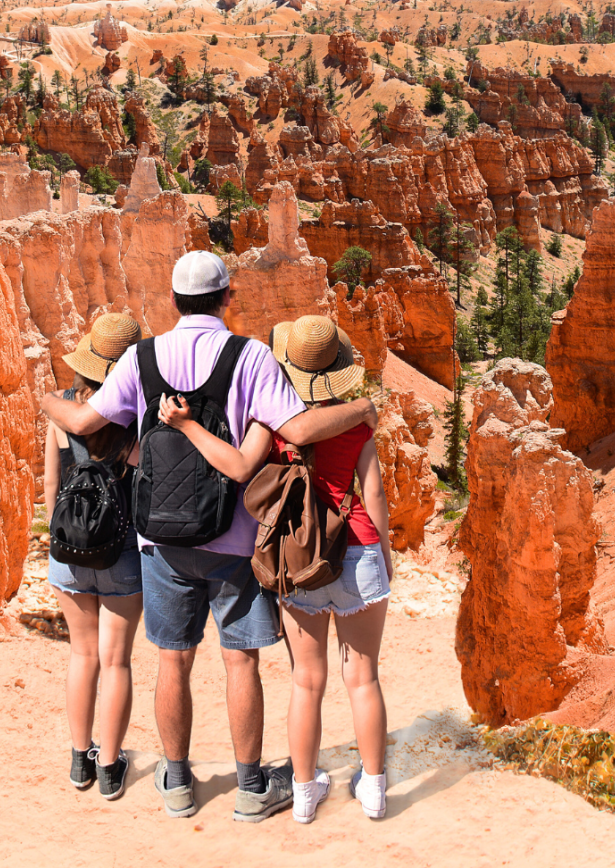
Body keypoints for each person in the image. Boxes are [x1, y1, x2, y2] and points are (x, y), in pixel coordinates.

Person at [37, 252, 376, 824]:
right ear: (228, 297)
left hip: (159, 541)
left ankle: (176, 784)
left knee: (172, 661)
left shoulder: (142, 357)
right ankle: (250, 789)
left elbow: (82, 424)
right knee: (240, 662)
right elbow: (295, 429)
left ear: (172, 301)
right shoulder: (251, 356)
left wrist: (45, 400)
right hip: (234, 539)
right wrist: (363, 409)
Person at [159, 314, 390, 824]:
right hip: (357, 549)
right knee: (364, 678)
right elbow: (371, 495)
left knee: (306, 681)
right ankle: (373, 789)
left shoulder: (271, 421)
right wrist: (384, 558)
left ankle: (304, 794)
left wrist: (184, 425)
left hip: (296, 557)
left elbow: (240, 467)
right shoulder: (356, 421)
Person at [42, 312, 145, 802]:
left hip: (69, 548)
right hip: (122, 550)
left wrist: (64, 536)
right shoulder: (135, 413)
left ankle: (78, 759)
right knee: (116, 660)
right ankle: (109, 766)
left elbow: (49, 484)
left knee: (81, 656)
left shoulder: (63, 408)